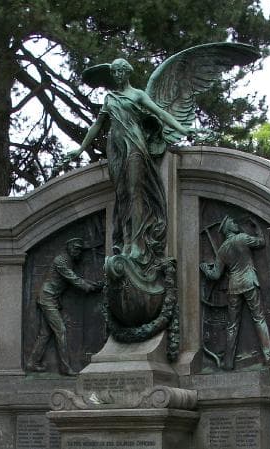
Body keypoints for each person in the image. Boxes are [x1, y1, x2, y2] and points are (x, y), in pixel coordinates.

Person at [63, 59, 195, 320]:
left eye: (122, 70)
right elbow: (97, 127)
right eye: (115, 71)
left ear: (128, 72)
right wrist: (79, 149)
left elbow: (160, 113)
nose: (118, 74)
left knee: (136, 193)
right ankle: (125, 240)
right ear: (112, 73)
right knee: (123, 196)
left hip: (135, 145)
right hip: (116, 146)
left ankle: (137, 244)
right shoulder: (109, 98)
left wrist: (183, 129)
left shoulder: (138, 95)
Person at [200, 216, 270, 369]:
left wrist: (205, 268)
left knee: (232, 325)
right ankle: (268, 356)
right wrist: (257, 227)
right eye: (233, 222)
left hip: (234, 287)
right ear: (228, 228)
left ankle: (228, 363)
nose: (235, 223)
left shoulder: (222, 249)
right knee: (259, 318)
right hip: (249, 282)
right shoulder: (243, 238)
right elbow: (262, 241)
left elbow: (215, 275)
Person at [27, 238, 101, 375]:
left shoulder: (68, 261)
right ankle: (65, 368)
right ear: (69, 248)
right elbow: (72, 278)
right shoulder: (61, 261)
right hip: (47, 298)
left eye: (80, 249)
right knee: (61, 331)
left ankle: (32, 362)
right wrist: (88, 287)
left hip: (51, 299)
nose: (78, 252)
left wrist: (93, 284)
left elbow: (75, 277)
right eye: (75, 248)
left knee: (45, 334)